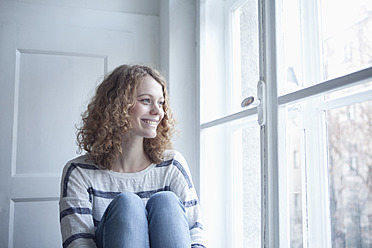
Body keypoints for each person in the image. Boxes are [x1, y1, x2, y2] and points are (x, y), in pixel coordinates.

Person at [59, 65, 206, 248]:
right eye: (146, 100)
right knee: (128, 204)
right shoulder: (79, 172)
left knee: (165, 201)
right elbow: (79, 243)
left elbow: (194, 232)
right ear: (117, 106)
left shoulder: (172, 165)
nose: (158, 111)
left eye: (161, 103)